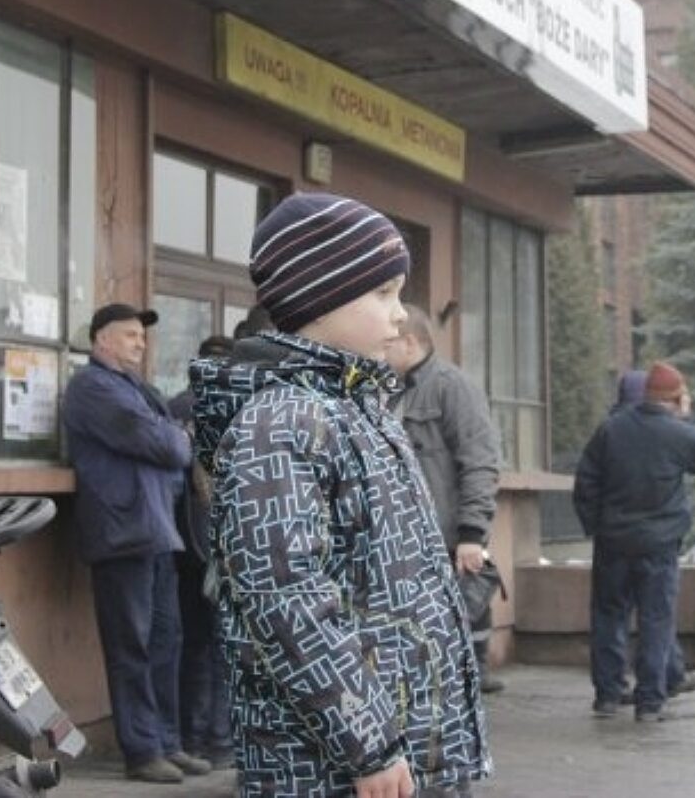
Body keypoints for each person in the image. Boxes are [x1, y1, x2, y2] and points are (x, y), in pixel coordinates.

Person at [189, 192, 488, 798]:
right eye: (383, 293)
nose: (400, 316)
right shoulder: (281, 423)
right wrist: (368, 743)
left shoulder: (359, 408)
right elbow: (285, 600)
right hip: (336, 768)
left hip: (409, 750)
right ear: (318, 298)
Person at [65, 303, 210, 784]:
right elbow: (170, 444)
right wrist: (176, 437)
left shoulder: (137, 388)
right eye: (130, 335)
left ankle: (168, 742)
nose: (139, 344)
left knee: (167, 641)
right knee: (133, 646)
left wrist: (175, 437)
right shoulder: (93, 387)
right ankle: (143, 749)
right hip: (122, 532)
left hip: (157, 531)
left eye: (142, 337)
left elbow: (176, 439)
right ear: (101, 339)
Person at [573, 362, 695, 722]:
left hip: (613, 540)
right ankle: (650, 701)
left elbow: (586, 481)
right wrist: (685, 417)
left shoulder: (611, 429)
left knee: (608, 615)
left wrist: (595, 526)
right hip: (659, 542)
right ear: (676, 398)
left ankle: (608, 695)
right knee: (656, 619)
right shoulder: (679, 433)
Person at [386, 305, 504, 694]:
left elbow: (480, 462)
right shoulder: (386, 390)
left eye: (389, 343)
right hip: (400, 541)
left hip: (445, 541)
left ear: (410, 342)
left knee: (449, 644)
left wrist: (472, 535)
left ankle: (459, 703)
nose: (381, 350)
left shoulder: (452, 387)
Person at [168, 334, 237, 767]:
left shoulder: (176, 406)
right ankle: (218, 739)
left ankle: (192, 737)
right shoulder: (233, 407)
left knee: (192, 645)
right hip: (217, 545)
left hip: (181, 545)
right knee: (222, 646)